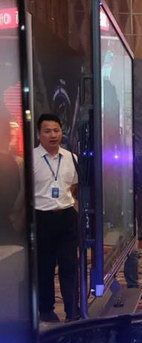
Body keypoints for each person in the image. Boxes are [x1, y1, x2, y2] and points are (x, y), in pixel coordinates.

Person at [33, 114, 80, 323]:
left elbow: (73, 186)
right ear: (38, 134)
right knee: (45, 266)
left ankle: (72, 310)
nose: (53, 135)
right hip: (41, 217)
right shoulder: (30, 159)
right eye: (47, 131)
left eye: (56, 130)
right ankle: (46, 310)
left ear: (62, 132)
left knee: (69, 265)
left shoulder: (71, 158)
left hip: (67, 216)